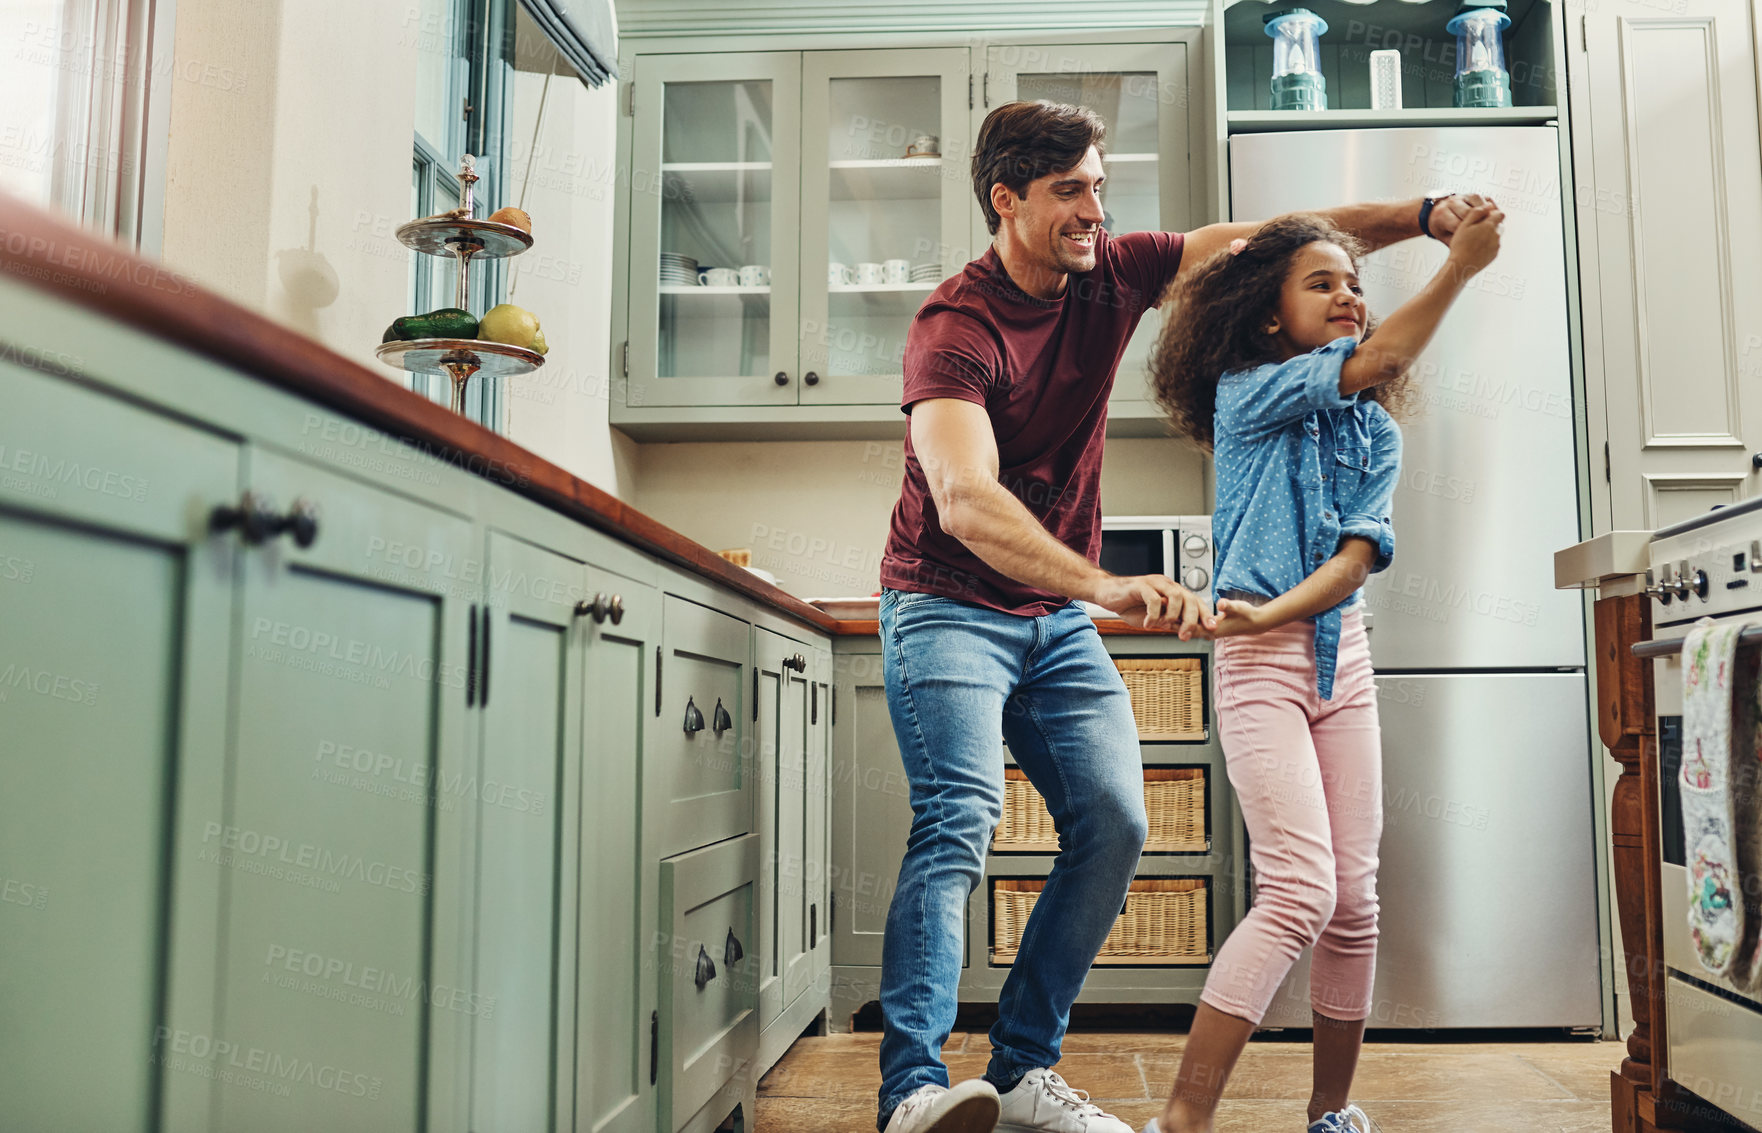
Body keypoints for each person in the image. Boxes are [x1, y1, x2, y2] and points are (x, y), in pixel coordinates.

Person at [874, 97, 1496, 1133]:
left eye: (1100, 186)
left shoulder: (1115, 271)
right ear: (1007, 198)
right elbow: (964, 498)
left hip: (1055, 611)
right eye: (1070, 189)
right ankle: (913, 1090)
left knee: (1114, 820)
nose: (1094, 208)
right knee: (961, 816)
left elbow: (1282, 238)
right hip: (950, 602)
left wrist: (1424, 211)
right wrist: (1103, 583)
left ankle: (1023, 1066)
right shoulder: (956, 326)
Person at [1137, 208, 1503, 1133]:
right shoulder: (1247, 391)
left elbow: (1353, 559)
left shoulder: (1374, 437)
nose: (1349, 295)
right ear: (1268, 315)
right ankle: (1182, 1119)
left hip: (1343, 659)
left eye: (1355, 283)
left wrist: (1281, 605)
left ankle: (1331, 1113)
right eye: (1322, 282)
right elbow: (1381, 360)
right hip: (1260, 664)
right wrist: (1457, 267)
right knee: (1300, 889)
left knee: (1355, 899)